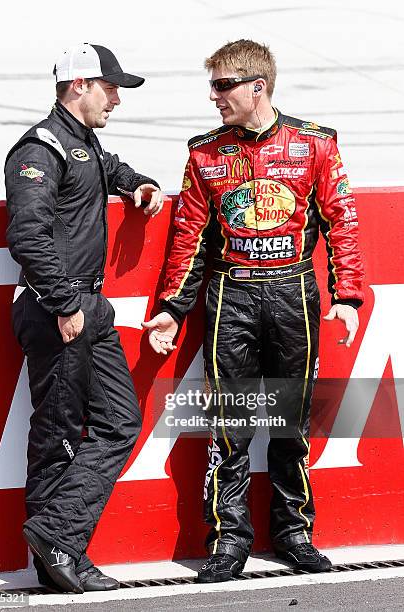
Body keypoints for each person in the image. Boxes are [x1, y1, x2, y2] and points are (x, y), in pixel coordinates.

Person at [143, 39, 363, 583]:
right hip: (229, 297)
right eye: (213, 86)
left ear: (257, 86)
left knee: (291, 424)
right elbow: (188, 235)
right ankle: (228, 540)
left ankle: (294, 533)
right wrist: (173, 306)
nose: (214, 97)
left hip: (294, 295)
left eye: (223, 86)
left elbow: (342, 222)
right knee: (229, 427)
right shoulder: (204, 152)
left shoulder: (315, 143)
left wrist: (348, 295)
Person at [5, 43, 163, 593]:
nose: (116, 98)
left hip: (88, 306)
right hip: (57, 307)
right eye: (110, 87)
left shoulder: (83, 143)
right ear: (80, 86)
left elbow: (107, 168)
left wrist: (137, 183)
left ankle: (57, 540)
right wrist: (65, 303)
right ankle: (58, 555)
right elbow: (27, 235)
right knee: (57, 435)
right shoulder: (39, 147)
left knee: (120, 422)